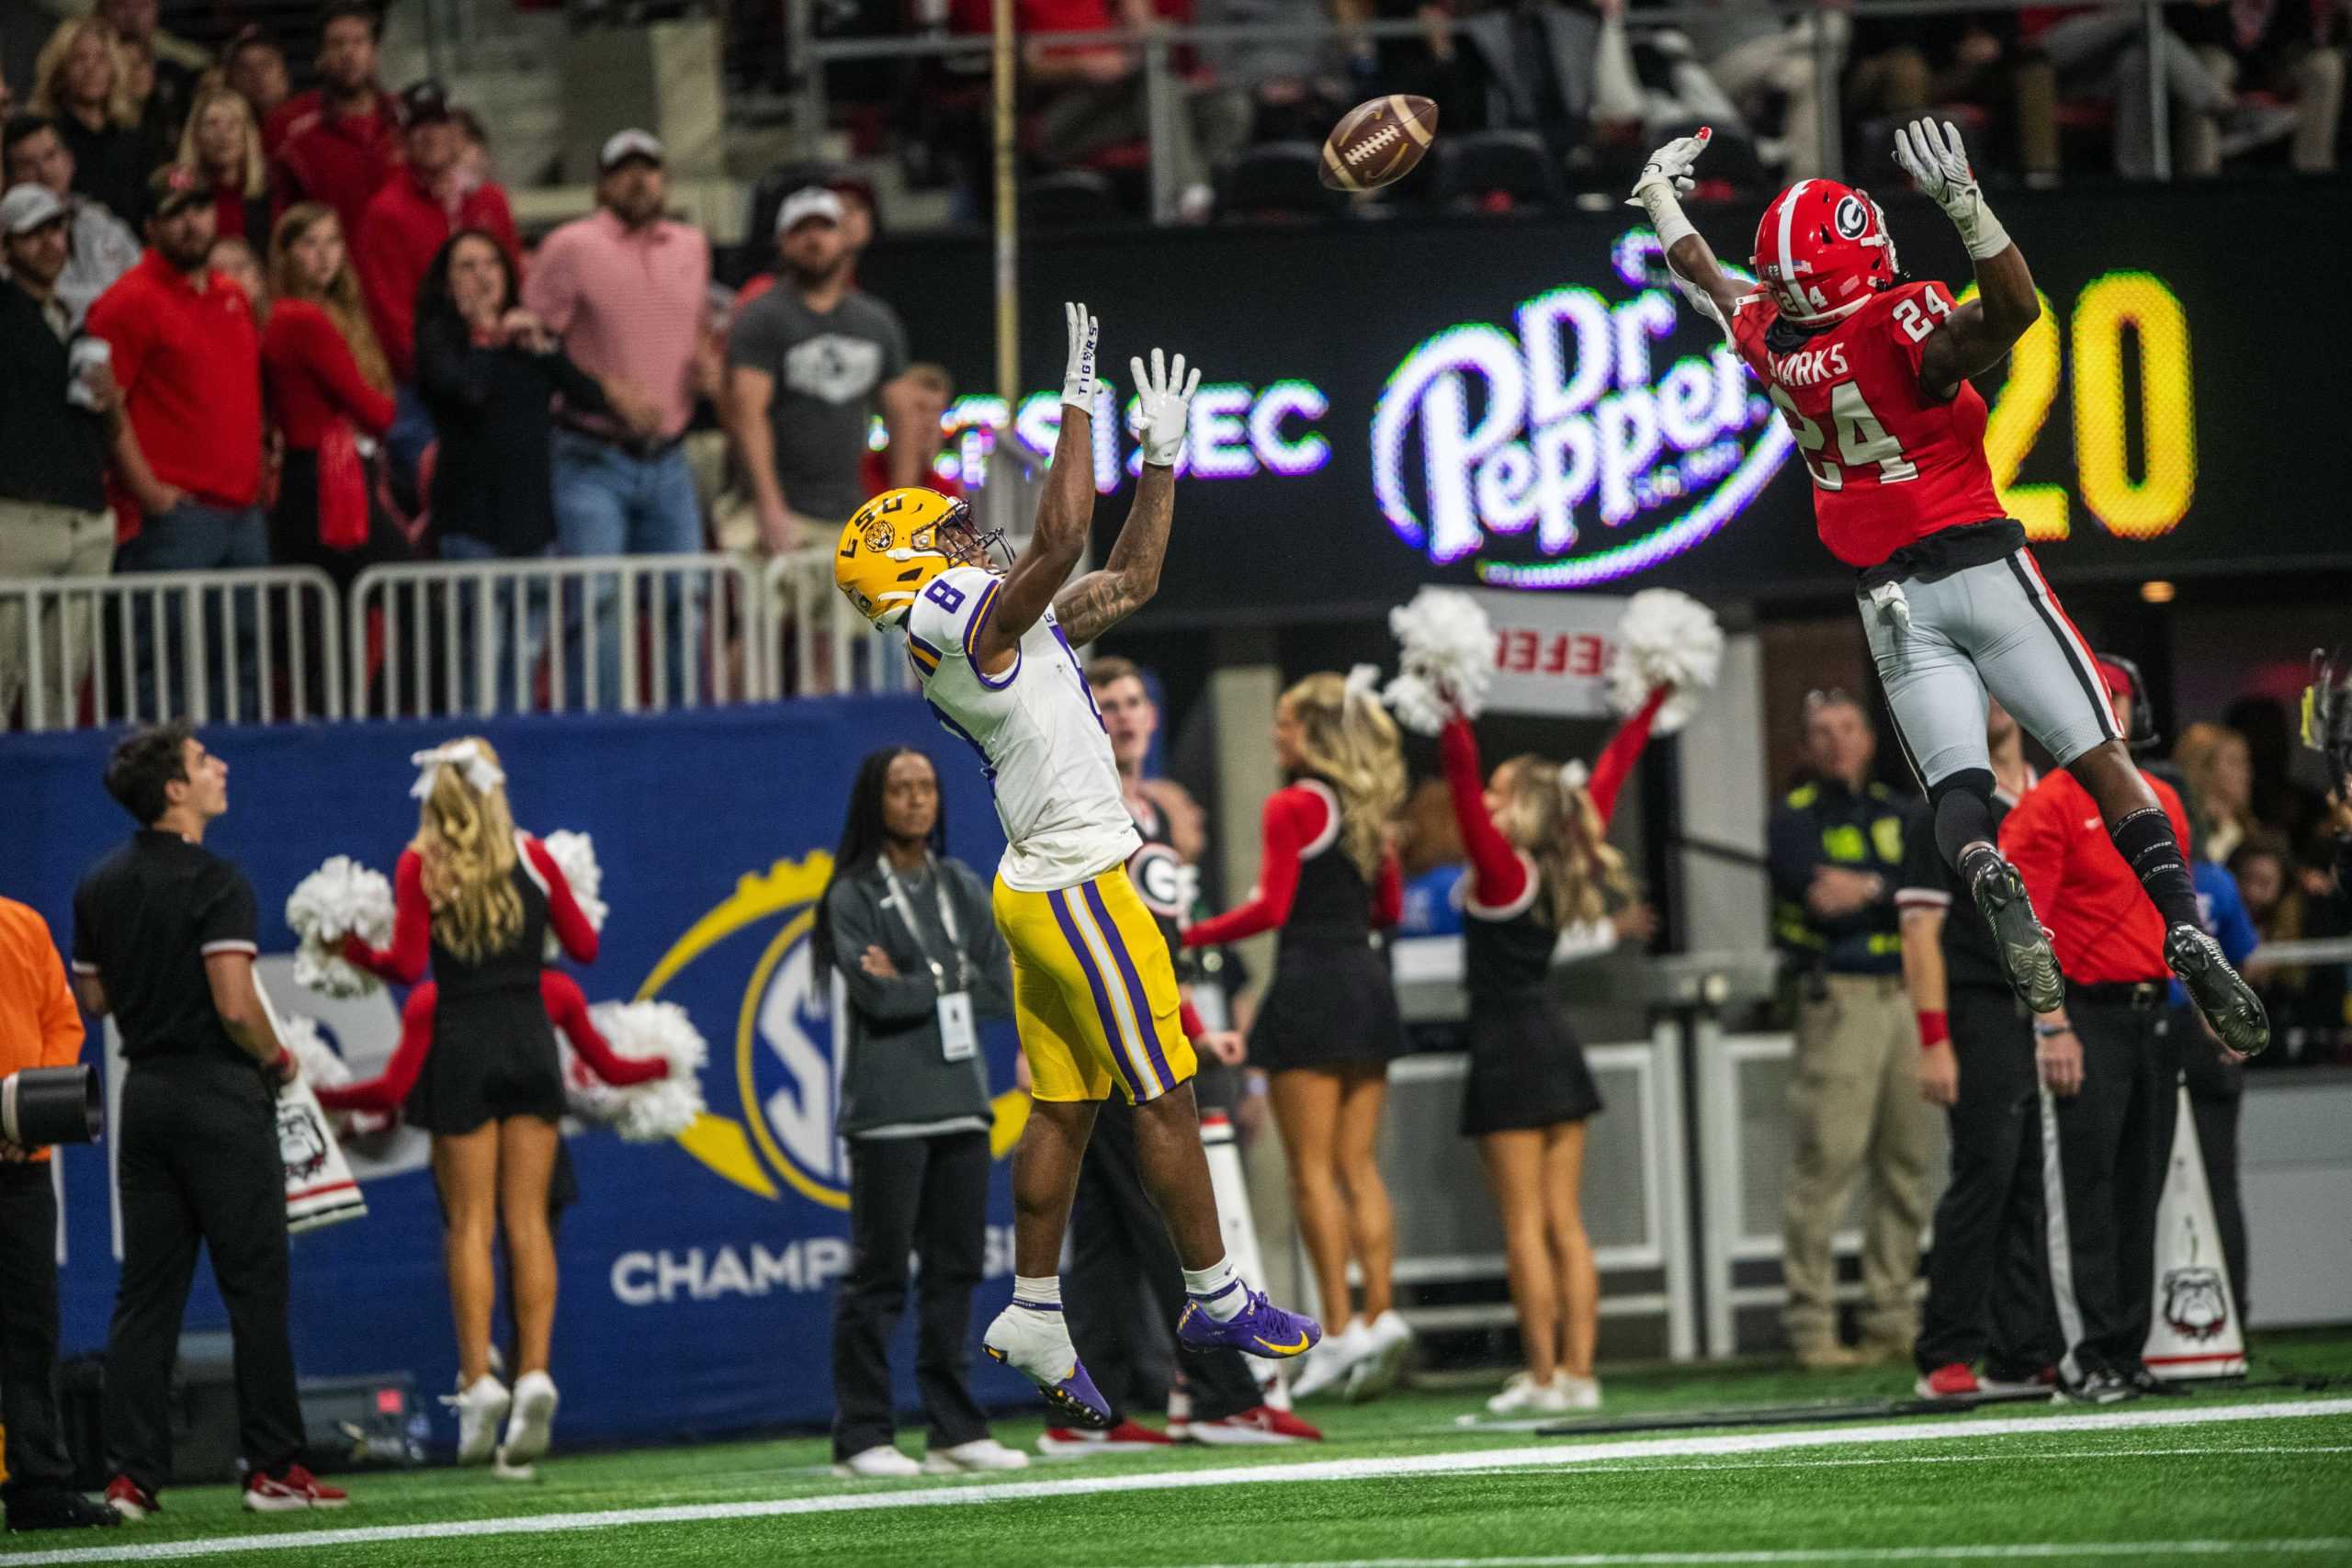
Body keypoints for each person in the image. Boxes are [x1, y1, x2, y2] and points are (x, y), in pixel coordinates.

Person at [1635, 119, 2266, 1059]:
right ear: (1858, 266)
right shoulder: (1900, 327)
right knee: (2102, 760)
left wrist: (1656, 196)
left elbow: (1706, 277)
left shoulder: (1770, 340)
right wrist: (1969, 210)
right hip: (1981, 566)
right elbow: (2013, 314)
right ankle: (2181, 921)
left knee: (1958, 794)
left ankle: (1983, 869)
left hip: (1889, 603)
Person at [832, 307, 1317, 1433]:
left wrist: (1160, 464)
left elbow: (1128, 580)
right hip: (1081, 879)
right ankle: (1212, 1295)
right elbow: (1054, 543)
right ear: (912, 564)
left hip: (1039, 883)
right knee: (1165, 1087)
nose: (967, 540)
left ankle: (1036, 1308)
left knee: (1065, 1108)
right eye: (948, 533)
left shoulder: (974, 624)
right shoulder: (949, 617)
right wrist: (1076, 404)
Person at [69, 722, 347, 1517]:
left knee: (146, 1295)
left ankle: (130, 1477)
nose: (219, 766)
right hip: (221, 1097)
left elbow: (95, 999)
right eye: (201, 760)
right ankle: (272, 1469)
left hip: (145, 1099)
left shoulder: (98, 882)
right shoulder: (220, 879)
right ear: (174, 791)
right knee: (255, 1286)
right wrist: (278, 1057)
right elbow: (234, 1002)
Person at [1068, 656, 1319, 1450]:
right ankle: (1221, 1397)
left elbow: (1170, 945)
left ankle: (1081, 1412)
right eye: (1107, 703)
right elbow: (1104, 938)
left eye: (1136, 699)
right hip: (1113, 1032)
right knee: (1167, 1219)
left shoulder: (1157, 814)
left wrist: (1196, 1026)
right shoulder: (1085, 805)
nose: (1126, 714)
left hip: (1152, 1032)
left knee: (1109, 1232)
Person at [336, 739, 603, 1466]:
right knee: (528, 1221)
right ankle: (537, 1370)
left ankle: (480, 1380)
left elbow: (407, 964)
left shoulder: (422, 863)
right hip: (529, 1039)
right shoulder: (536, 856)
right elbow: (584, 946)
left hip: (461, 1042)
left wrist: (346, 947)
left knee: (469, 1223)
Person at [1182, 670, 1410, 1403]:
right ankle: (1381, 1316)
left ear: (1312, 735)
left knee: (1310, 1169)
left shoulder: (1290, 805)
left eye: (1284, 724)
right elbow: (1391, 908)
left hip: (1311, 984)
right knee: (1360, 1164)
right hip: (1368, 984)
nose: (1276, 736)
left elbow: (1273, 907)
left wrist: (1194, 932)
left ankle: (1339, 1333)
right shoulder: (1371, 809)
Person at [1438, 690, 1667, 1414]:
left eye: (1499, 794)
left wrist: (1450, 708)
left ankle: (1543, 1378)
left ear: (1521, 807)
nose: (1486, 802)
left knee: (1525, 1225)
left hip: (1508, 1053)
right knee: (1565, 1221)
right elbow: (1607, 776)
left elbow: (1460, 788)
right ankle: (1579, 1373)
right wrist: (1648, 701)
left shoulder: (1505, 871)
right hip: (1557, 1047)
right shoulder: (1562, 856)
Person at [2002, 658, 2216, 1404]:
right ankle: (2083, 1355)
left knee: (2140, 1188)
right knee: (2082, 1195)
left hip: (2154, 1010)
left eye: (2116, 695)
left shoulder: (2162, 800)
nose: (2107, 708)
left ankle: (2125, 1350)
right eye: (2096, 694)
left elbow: (2179, 914)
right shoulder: (2049, 805)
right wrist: (2052, 1023)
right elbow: (2025, 930)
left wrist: (2205, 1002)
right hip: (2084, 1013)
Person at [811, 748, 1029, 1479]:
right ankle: (863, 1434)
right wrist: (950, 979)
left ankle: (952, 1428)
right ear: (876, 800)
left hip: (962, 1107)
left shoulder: (960, 883)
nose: (915, 800)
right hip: (887, 1114)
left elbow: (1000, 990)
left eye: (926, 787)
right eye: (900, 789)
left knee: (956, 1270)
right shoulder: (852, 893)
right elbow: (874, 998)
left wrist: (918, 980)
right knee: (879, 1277)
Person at [1766, 690, 1931, 1370]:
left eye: (1847, 729)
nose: (1836, 743)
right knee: (1826, 1163)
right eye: (1821, 733)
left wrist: (1866, 889)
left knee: (1908, 1163)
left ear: (1867, 738)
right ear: (1805, 749)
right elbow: (1812, 896)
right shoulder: (1793, 818)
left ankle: (1893, 1319)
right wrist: (1886, 893)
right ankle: (1813, 1327)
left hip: (1908, 995)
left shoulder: (1899, 810)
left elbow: (1924, 887)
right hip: (1840, 998)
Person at [1900, 698, 2060, 1402]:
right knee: (1986, 1173)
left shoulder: (2054, 796)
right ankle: (1946, 1348)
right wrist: (1934, 1040)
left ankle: (2022, 1349)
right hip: (1980, 1006)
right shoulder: (1941, 809)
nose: (1992, 701)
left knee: (2031, 1175)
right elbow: (1920, 934)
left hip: (2046, 1006)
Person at [523, 130, 712, 708]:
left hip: (670, 456)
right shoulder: (570, 245)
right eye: (625, 170)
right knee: (598, 601)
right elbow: (532, 340)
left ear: (665, 180)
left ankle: (688, 730)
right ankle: (602, 731)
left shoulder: (691, 244)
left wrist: (707, 365)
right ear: (603, 184)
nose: (639, 180)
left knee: (687, 599)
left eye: (649, 169)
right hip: (590, 456)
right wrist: (604, 390)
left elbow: (692, 326)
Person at [414, 231, 639, 708]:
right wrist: (483, 337)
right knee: (482, 659)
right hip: (473, 528)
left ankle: (515, 764)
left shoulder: (527, 338)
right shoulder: (440, 341)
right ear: (446, 282)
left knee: (524, 654)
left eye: (490, 265)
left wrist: (543, 346)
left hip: (532, 528)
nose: (481, 277)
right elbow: (468, 393)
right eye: (467, 267)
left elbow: (590, 398)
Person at [86, 164, 266, 722]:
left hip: (244, 513)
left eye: (199, 209)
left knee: (244, 667)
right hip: (176, 519)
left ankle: (241, 792)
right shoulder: (126, 303)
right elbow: (101, 404)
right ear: (149, 227)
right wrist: (146, 489)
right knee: (170, 673)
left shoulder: (232, 295)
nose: (191, 223)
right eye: (175, 214)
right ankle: (163, 801)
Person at [0, 896, 120, 1532]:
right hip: (17, 1157)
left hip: (20, 1162)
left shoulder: (22, 924)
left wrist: (26, 1106)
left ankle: (40, 1487)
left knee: (31, 1325)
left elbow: (61, 1019)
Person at [725, 186, 922, 555]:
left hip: (850, 512)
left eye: (824, 227)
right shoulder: (763, 316)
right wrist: (769, 506)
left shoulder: (875, 321)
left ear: (843, 238)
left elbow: (904, 415)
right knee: (766, 611)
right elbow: (747, 414)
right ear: (782, 241)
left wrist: (903, 508)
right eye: (800, 230)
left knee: (857, 612)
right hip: (778, 511)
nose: (813, 239)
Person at [356, 79, 522, 489]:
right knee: (443, 493)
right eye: (418, 127)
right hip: (424, 390)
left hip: (493, 369)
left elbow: (514, 277)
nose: (430, 136)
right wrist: (445, 373)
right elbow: (390, 313)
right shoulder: (385, 212)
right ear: (402, 137)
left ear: (456, 131)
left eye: (439, 124)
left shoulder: (487, 201)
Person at [0, 184, 117, 732]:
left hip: (83, 516)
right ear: (5, 248)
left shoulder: (73, 319)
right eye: (33, 233)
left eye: (56, 229)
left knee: (61, 685)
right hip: (17, 515)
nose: (50, 242)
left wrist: (109, 400)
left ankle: (52, 807)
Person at [263, 201, 407, 590]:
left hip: (311, 473)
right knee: (405, 585)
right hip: (325, 477)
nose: (325, 255)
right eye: (310, 244)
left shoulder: (295, 315)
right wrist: (383, 404)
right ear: (286, 253)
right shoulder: (303, 320)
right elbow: (376, 412)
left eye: (333, 241)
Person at [269, 5, 399, 245]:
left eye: (359, 42)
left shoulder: (406, 121)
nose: (348, 53)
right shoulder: (290, 125)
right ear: (320, 57)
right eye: (337, 44)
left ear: (375, 52)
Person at [2, 115, 142, 325]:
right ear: (9, 179)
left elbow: (145, 285)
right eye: (27, 164)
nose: (44, 172)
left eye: (50, 156)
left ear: (69, 161)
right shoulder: (9, 239)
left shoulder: (102, 223)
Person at [28, 18, 145, 229]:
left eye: (100, 59)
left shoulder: (131, 136)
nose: (90, 68)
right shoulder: (46, 138)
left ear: (113, 69)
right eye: (79, 59)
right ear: (60, 71)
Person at [179, 85, 271, 244]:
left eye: (233, 124)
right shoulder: (178, 188)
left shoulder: (270, 188)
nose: (223, 135)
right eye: (212, 124)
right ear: (196, 135)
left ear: (246, 134)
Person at [2172, 723, 2256, 865]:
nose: (2247, 773)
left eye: (2246, 762)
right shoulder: (2178, 831)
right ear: (2202, 768)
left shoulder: (2250, 835)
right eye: (2235, 762)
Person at [222, 28, 291, 146]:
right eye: (245, 68)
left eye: (265, 64)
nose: (257, 75)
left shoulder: (310, 127)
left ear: (284, 73)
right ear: (231, 80)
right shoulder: (226, 141)